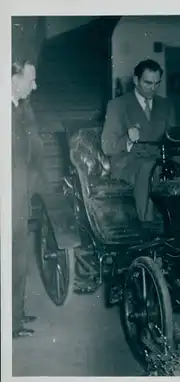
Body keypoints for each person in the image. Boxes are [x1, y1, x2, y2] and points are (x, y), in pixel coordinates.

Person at [101, 59, 180, 224]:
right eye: (147, 83)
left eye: (157, 83)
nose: (152, 88)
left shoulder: (166, 105)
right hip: (129, 161)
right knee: (148, 167)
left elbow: (174, 139)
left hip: (159, 159)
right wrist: (127, 137)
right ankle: (147, 225)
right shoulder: (117, 105)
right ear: (135, 80)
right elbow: (107, 146)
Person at [12, 59, 43, 339]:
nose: (34, 85)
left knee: (18, 257)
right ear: (13, 78)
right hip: (8, 198)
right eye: (30, 80)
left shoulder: (21, 107)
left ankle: (15, 316)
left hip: (20, 194)